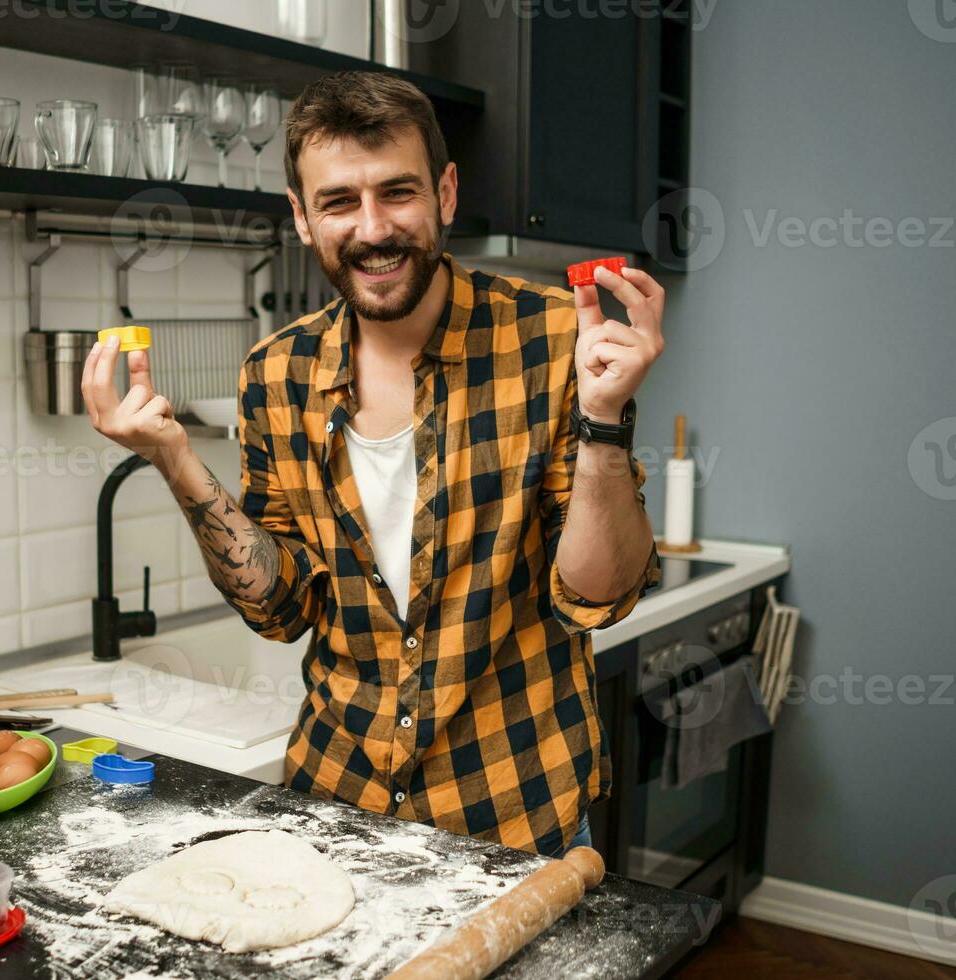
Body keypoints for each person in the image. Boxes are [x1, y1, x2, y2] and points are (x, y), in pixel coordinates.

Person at [81, 71, 663, 858]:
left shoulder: (556, 337)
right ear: (301, 216)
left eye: (398, 192)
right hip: (336, 806)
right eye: (339, 202)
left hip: (514, 814)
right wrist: (173, 459)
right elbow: (278, 608)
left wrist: (602, 422)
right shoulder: (275, 372)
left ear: (446, 193)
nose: (373, 228)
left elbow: (600, 594)